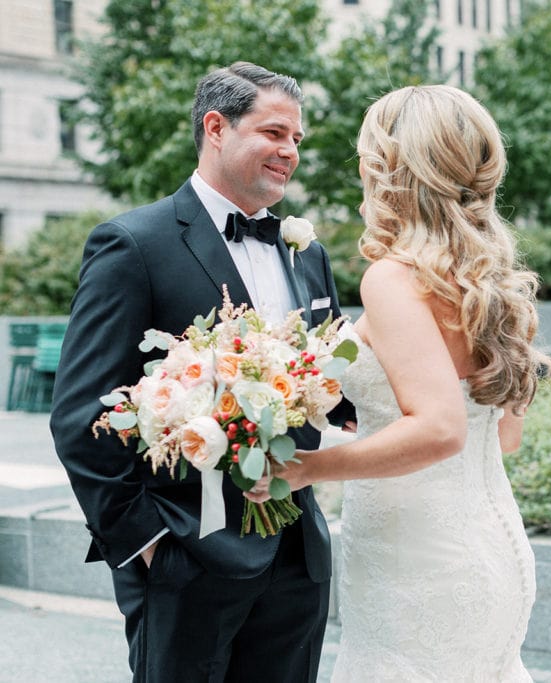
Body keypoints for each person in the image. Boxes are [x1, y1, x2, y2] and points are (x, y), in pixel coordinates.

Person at [49, 62, 353, 682]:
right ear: (216, 127)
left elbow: (332, 386)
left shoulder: (308, 251)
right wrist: (148, 544)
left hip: (298, 558)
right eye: (274, 133)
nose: (290, 152)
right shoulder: (134, 244)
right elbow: (82, 414)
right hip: (185, 557)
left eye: (297, 139)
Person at [246, 84, 551, 681]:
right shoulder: (492, 284)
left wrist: (308, 469)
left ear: (387, 168)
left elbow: (441, 429)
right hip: (485, 543)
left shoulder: (394, 279)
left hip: (417, 564)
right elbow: (502, 436)